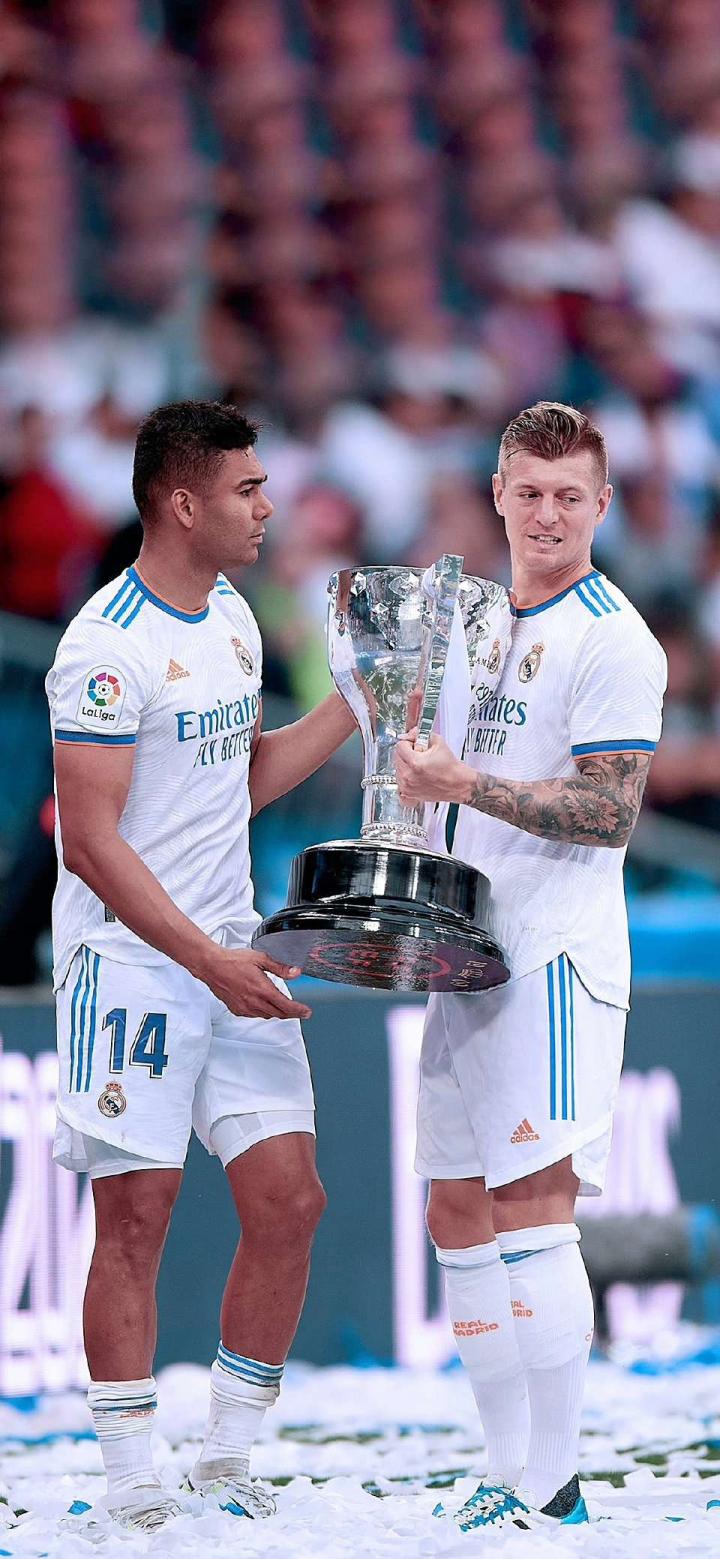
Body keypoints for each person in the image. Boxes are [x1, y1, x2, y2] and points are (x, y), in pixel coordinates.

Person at [45, 400, 355, 1535]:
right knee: (136, 1217)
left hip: (232, 944)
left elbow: (239, 778)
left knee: (292, 1199)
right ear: (183, 503)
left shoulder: (229, 614)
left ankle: (226, 1459)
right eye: (247, 489)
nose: (268, 506)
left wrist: (359, 703)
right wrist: (205, 960)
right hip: (131, 961)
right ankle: (133, 1475)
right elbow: (90, 842)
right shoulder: (104, 648)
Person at [395, 401, 667, 1534]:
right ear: (498, 496)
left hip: (551, 957)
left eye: (569, 496)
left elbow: (609, 811)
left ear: (602, 505)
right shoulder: (473, 624)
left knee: (531, 1207)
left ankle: (554, 1481)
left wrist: (464, 785)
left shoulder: (616, 638)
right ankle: (505, 1465)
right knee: (455, 1209)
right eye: (529, 492)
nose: (548, 514)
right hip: (464, 951)